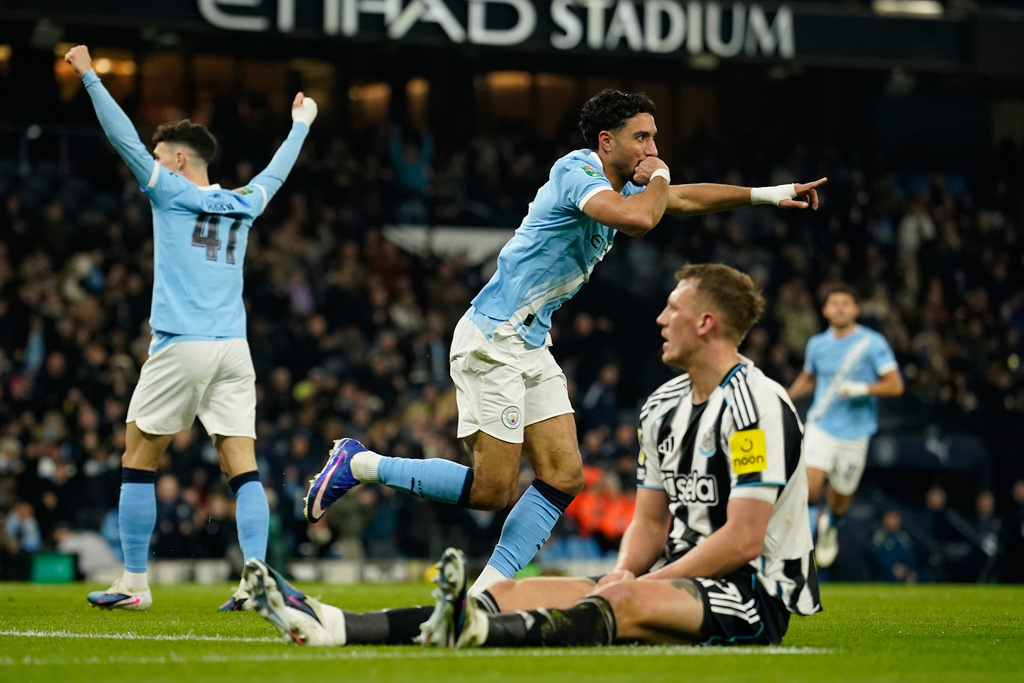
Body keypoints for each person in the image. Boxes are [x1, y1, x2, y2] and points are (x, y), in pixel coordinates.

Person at [304, 89, 827, 597]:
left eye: (655, 139)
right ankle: (359, 464)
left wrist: (770, 194)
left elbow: (683, 199)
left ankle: (487, 594)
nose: (652, 149)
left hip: (529, 342)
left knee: (564, 476)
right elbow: (644, 217)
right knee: (494, 491)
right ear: (606, 141)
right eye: (641, 138)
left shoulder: (625, 186)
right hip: (493, 337)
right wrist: (661, 175)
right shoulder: (576, 172)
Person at [245, 264, 821, 648]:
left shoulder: (757, 405)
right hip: (662, 578)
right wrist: (627, 569)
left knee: (615, 596)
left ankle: (482, 634)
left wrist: (645, 583)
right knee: (505, 592)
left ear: (706, 322)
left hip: (748, 595)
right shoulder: (661, 407)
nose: (659, 318)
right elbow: (649, 519)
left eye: (672, 309)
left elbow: (745, 540)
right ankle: (338, 627)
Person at [63, 45, 317, 611]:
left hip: (182, 344)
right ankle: (257, 579)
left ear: (177, 161)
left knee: (138, 457)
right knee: (242, 467)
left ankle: (134, 582)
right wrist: (301, 124)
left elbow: (123, 140)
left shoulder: (170, 191)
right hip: (233, 349)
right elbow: (275, 172)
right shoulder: (243, 201)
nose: (151, 159)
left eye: (160, 154)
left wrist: (88, 78)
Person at [787, 284, 904, 568]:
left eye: (845, 303)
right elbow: (811, 377)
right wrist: (785, 397)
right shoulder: (817, 344)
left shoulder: (872, 343)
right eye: (834, 303)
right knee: (810, 488)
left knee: (839, 499)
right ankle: (794, 549)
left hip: (856, 433)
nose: (840, 308)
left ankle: (830, 524)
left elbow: (895, 385)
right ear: (825, 310)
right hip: (821, 425)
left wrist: (862, 388)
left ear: (856, 310)